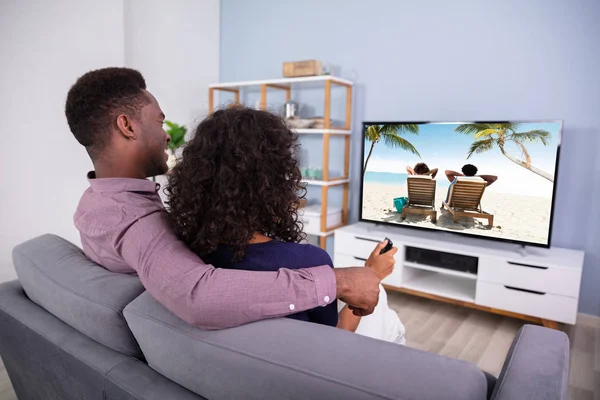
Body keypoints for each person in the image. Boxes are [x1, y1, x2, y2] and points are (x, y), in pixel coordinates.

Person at [66, 67, 389, 330]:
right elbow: (199, 297)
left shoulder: (92, 206)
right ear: (126, 125)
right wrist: (341, 280)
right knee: (385, 313)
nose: (166, 133)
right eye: (159, 121)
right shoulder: (139, 225)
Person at [166, 106, 399, 334]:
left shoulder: (186, 251)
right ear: (274, 182)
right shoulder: (309, 262)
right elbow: (335, 336)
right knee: (389, 318)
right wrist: (372, 275)